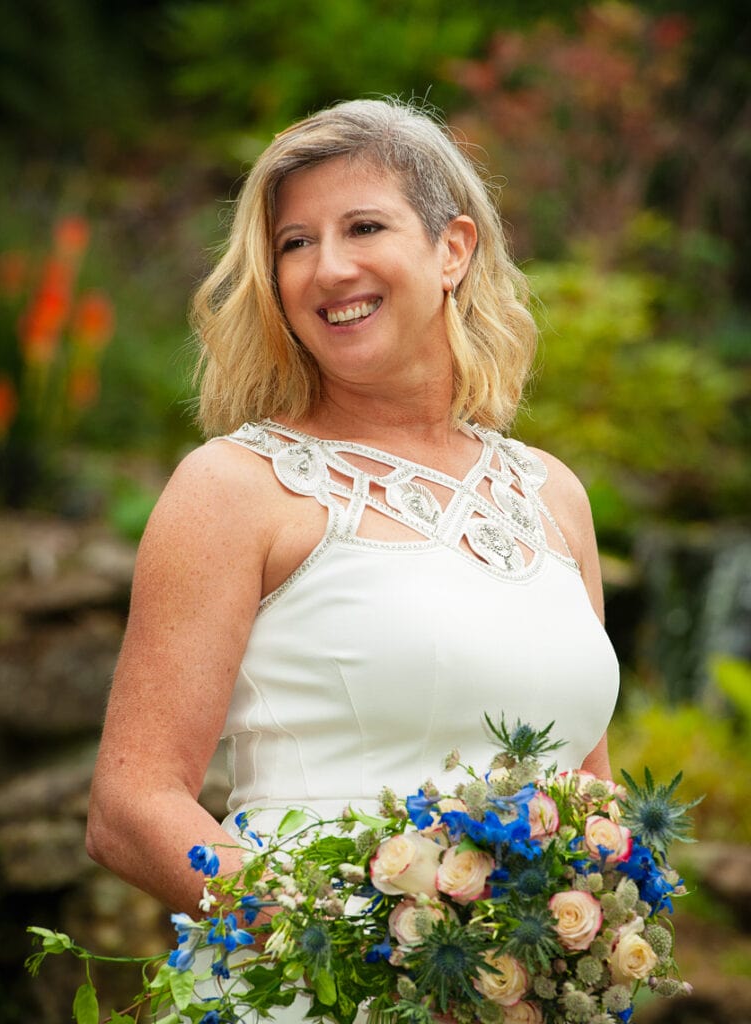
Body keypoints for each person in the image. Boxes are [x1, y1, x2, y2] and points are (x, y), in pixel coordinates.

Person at [86, 99, 619, 930]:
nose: (327, 268)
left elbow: (590, 802)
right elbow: (131, 807)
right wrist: (344, 950)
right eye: (296, 243)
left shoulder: (553, 496)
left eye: (363, 227)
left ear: (453, 249)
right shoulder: (233, 488)